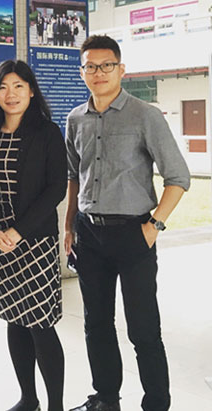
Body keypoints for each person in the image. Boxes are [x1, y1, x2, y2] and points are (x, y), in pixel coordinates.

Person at [65, 35, 190, 411]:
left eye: (106, 65)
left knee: (143, 328)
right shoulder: (75, 119)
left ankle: (156, 403)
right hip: (89, 234)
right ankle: (106, 399)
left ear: (121, 69)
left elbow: (178, 177)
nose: (98, 72)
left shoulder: (144, 115)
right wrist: (69, 226)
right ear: (82, 72)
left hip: (134, 234)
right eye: (90, 66)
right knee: (96, 324)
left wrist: (154, 227)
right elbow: (74, 176)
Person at [0, 59, 67, 411]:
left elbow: (56, 188)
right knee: (14, 319)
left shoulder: (47, 132)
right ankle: (28, 399)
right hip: (1, 244)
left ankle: (55, 405)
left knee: (40, 324)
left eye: (17, 86)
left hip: (36, 242)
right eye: (2, 87)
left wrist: (18, 231)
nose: (10, 94)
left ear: (30, 91)